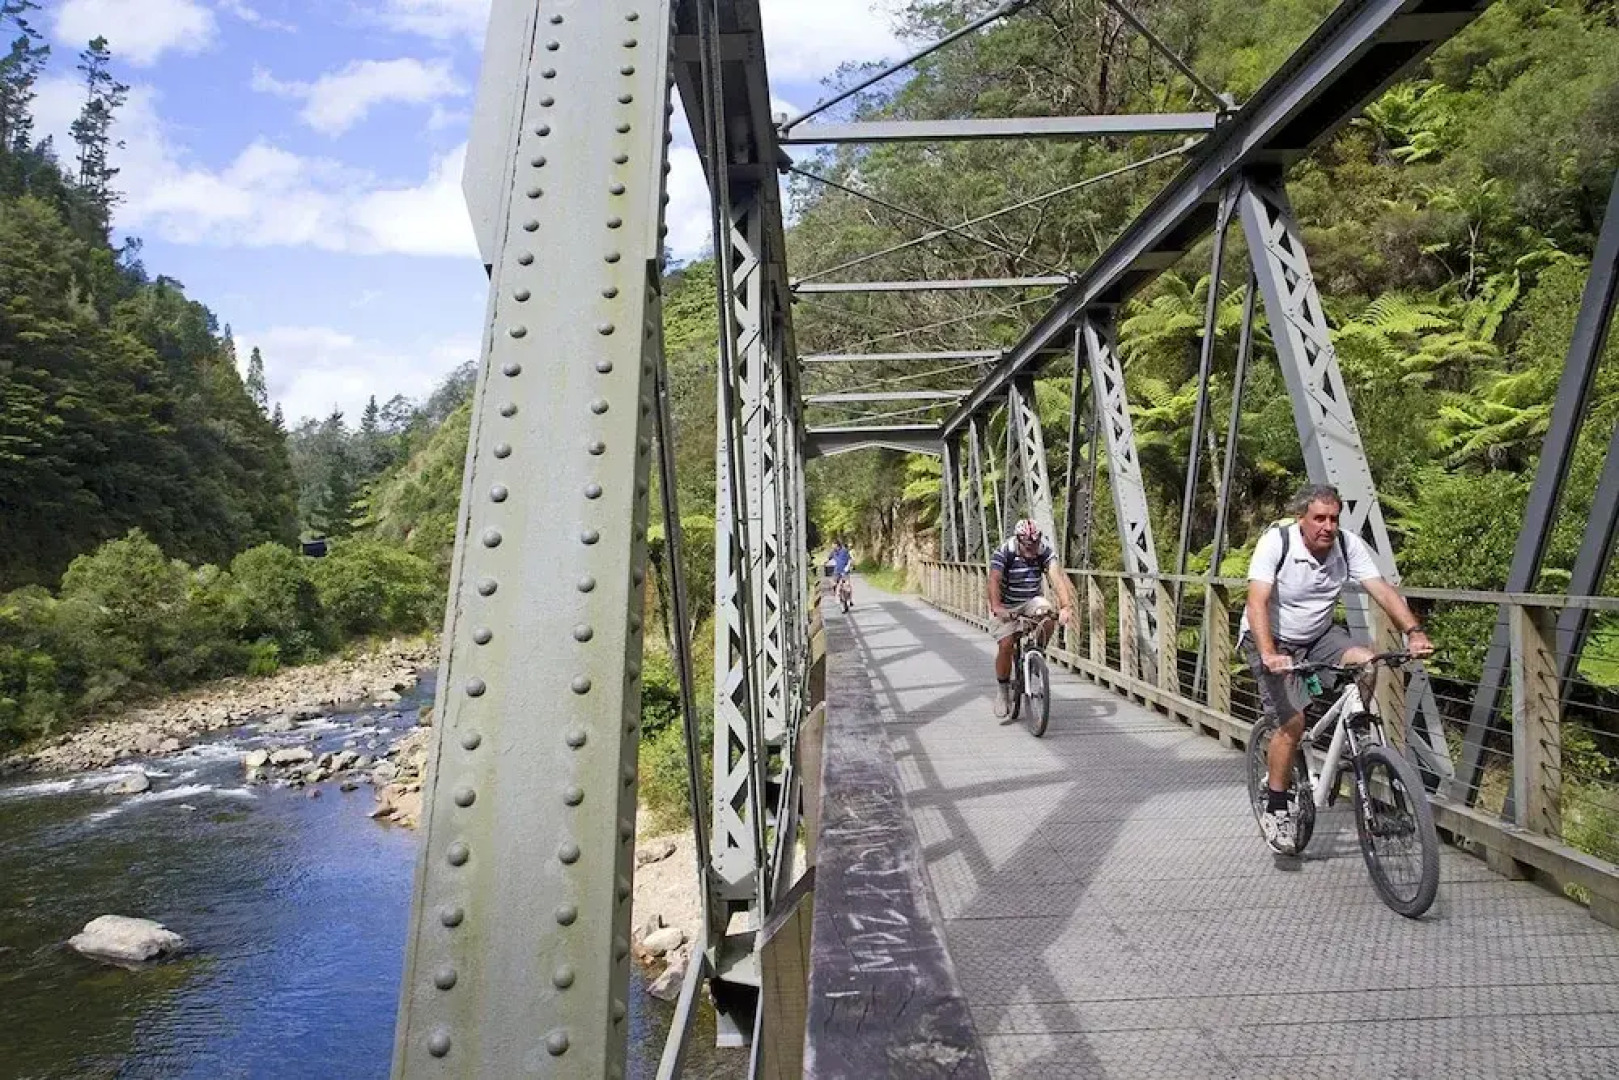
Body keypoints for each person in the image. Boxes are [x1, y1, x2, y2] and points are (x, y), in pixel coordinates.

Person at [1242, 483, 1433, 852]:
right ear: (1302, 518)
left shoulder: (1346, 545)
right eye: (1319, 518)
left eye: (1333, 518)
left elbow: (1381, 589)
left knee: (1367, 662)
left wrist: (1413, 632)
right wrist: (1269, 652)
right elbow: (1257, 602)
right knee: (1292, 722)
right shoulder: (1277, 543)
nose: (1327, 526)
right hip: (1273, 639)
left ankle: (1356, 737)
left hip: (1319, 635)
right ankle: (1277, 803)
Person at [988, 519, 1074, 718]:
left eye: (1035, 544)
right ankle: (1003, 691)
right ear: (1019, 540)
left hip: (1031, 600)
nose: (1032, 549)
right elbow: (993, 580)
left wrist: (1066, 607)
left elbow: (1055, 577)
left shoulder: (1044, 550)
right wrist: (997, 607)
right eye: (1028, 545)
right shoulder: (1005, 552)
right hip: (1006, 603)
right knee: (1006, 644)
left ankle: (1037, 653)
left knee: (1048, 616)